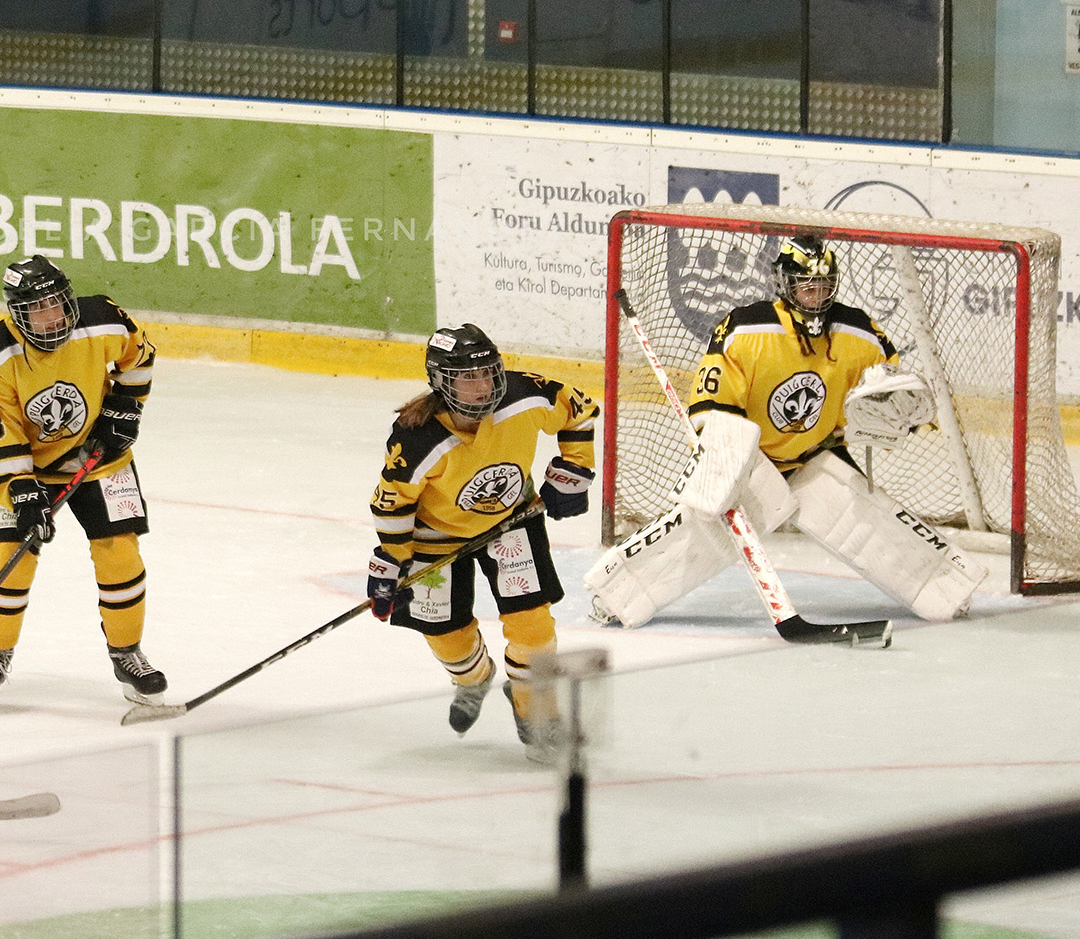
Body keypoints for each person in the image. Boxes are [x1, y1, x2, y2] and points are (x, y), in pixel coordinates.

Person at [586, 236, 986, 628]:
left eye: (824, 286)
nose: (816, 295)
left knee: (870, 525)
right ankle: (616, 595)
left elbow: (894, 389)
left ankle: (947, 589)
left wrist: (895, 410)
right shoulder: (746, 328)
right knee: (701, 533)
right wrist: (723, 465)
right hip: (753, 460)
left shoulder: (860, 332)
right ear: (784, 284)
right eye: (806, 286)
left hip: (815, 454)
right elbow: (711, 406)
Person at [367, 324, 597, 760]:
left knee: (533, 629)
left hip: (511, 520)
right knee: (447, 637)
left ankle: (536, 713)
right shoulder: (416, 438)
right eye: (467, 378)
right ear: (440, 382)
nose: (483, 386)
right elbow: (392, 505)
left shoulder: (522, 396)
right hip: (435, 537)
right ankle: (473, 679)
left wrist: (573, 472)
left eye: (488, 373)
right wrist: (390, 564)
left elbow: (580, 409)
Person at [0, 254, 165, 707]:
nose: (51, 317)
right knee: (7, 560)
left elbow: (141, 354)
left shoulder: (102, 319)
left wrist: (125, 408)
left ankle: (127, 651)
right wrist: (23, 490)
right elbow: (2, 430)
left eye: (56, 304)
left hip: (99, 460)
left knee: (120, 553)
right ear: (17, 314)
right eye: (37, 310)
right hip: (29, 468)